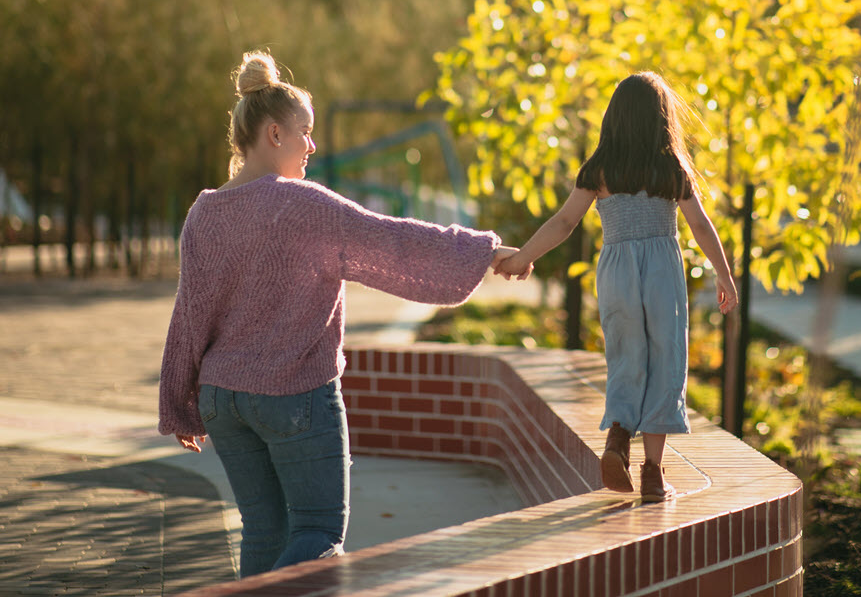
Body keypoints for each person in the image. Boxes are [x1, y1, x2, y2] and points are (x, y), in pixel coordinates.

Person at [158, 51, 524, 577]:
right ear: (274, 135)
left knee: (264, 533)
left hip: (224, 401)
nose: (312, 146)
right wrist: (484, 252)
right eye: (304, 133)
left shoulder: (203, 212)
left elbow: (188, 315)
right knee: (318, 534)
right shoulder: (304, 205)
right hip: (294, 396)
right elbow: (393, 241)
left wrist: (179, 401)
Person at [495, 71, 738, 502]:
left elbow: (565, 222)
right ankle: (653, 474)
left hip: (617, 272)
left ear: (615, 119)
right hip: (662, 271)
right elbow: (700, 224)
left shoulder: (599, 169)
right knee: (666, 361)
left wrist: (522, 258)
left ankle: (617, 440)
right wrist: (724, 274)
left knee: (627, 357)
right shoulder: (671, 168)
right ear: (662, 120)